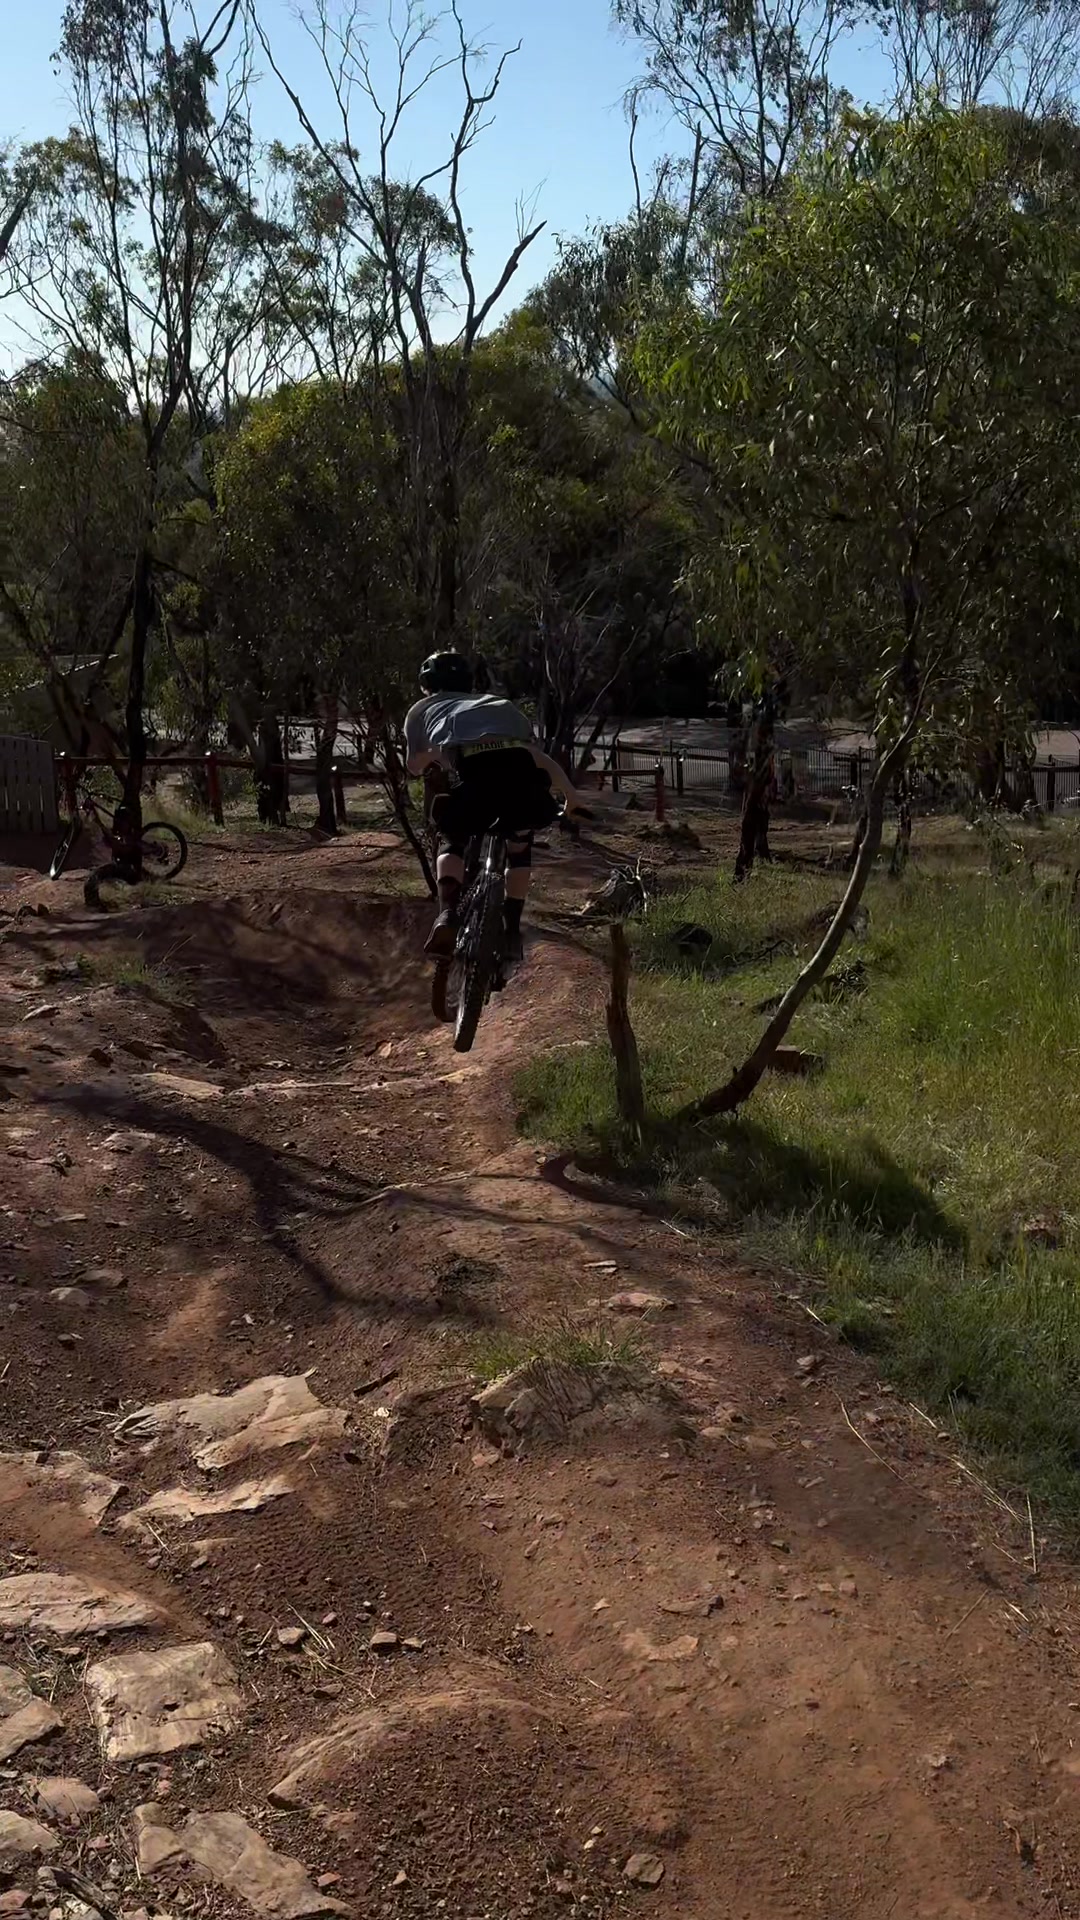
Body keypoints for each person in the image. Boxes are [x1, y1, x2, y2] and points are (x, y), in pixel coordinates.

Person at [404, 650, 583, 963]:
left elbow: (414, 766)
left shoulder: (421, 709)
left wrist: (437, 758)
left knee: (453, 838)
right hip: (522, 776)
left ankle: (447, 915)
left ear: (426, 685)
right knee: (520, 845)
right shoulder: (495, 704)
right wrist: (571, 797)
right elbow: (536, 757)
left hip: (475, 777)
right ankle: (511, 931)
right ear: (469, 683)